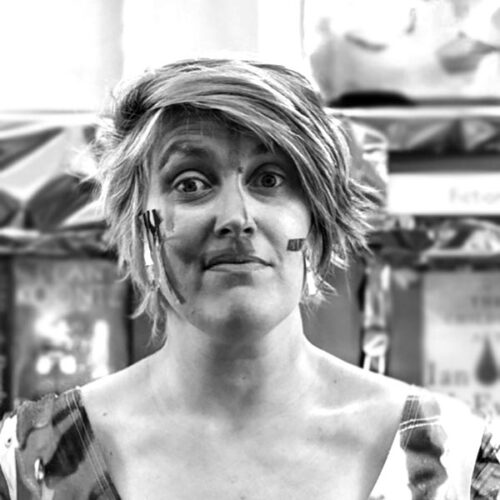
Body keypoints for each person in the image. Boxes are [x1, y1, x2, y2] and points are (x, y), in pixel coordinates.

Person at [0, 58, 498, 500]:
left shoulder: (458, 463)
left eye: (269, 179)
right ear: (141, 224)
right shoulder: (27, 466)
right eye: (190, 183)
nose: (236, 217)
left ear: (317, 224)